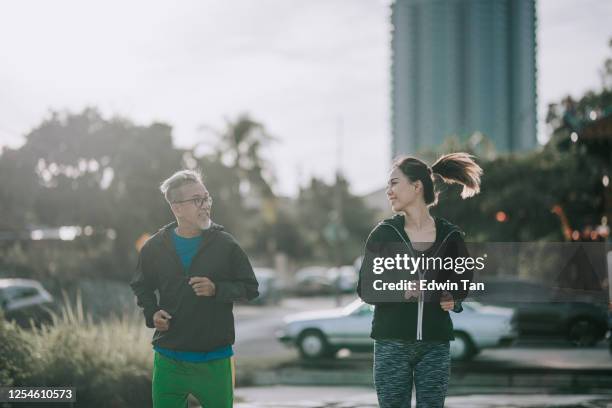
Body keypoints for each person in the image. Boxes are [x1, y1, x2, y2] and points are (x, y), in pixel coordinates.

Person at [357, 153, 482, 408]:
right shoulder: (383, 234)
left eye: (394, 183)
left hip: (435, 345)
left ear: (416, 187)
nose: (388, 191)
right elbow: (366, 288)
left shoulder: (450, 235)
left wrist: (452, 298)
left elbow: (463, 281)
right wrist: (401, 290)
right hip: (391, 343)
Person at [130, 169, 259, 408]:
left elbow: (250, 288)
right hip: (169, 359)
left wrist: (217, 289)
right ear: (176, 208)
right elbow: (141, 285)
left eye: (207, 198)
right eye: (197, 200)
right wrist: (152, 312)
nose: (205, 205)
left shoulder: (226, 245)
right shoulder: (154, 247)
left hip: (215, 360)